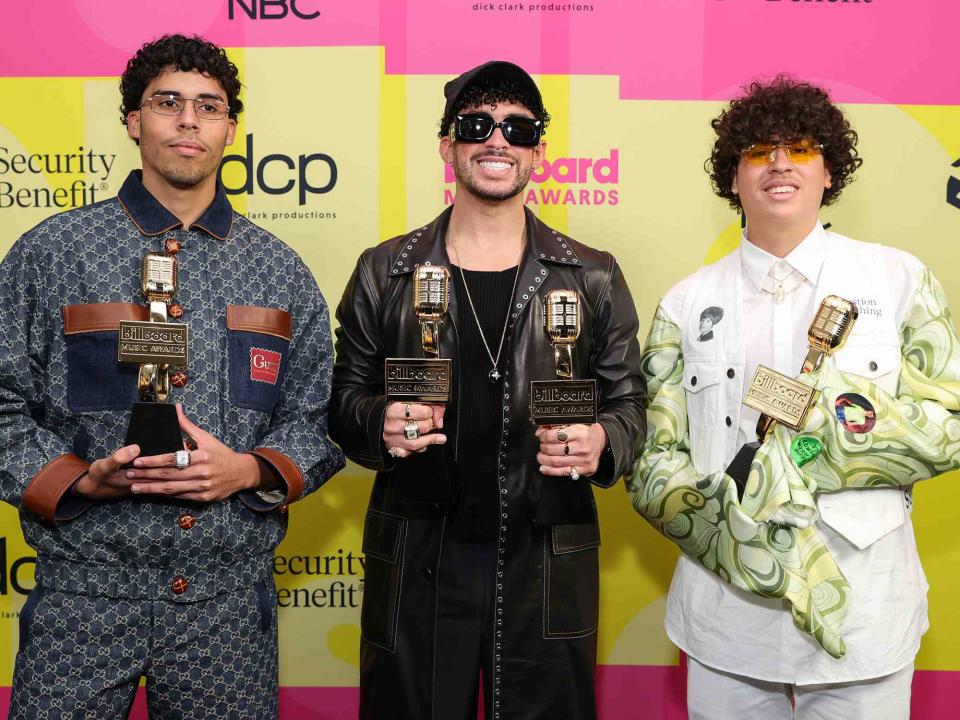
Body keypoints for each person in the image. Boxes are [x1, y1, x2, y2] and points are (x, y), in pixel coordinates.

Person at [0, 34, 343, 718]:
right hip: (84, 591)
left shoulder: (279, 272)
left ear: (230, 128)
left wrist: (249, 471)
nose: (189, 120)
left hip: (227, 602)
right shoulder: (52, 253)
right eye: (168, 102)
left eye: (208, 106)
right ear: (133, 120)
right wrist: (77, 478)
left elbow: (317, 418)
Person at [628, 76, 960, 719]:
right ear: (732, 177)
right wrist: (722, 529)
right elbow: (653, 453)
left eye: (801, 147)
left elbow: (950, 422)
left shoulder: (899, 281)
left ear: (828, 169)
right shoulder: (685, 302)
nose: (780, 163)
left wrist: (822, 430)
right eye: (759, 150)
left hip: (864, 616)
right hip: (726, 618)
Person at [330, 60, 645, 719]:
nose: (496, 140)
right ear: (449, 147)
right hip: (420, 554)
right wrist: (378, 420)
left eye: (516, 128)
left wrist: (601, 440)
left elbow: (629, 407)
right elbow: (341, 402)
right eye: (476, 125)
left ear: (538, 152)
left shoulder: (591, 275)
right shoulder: (386, 271)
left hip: (546, 558)